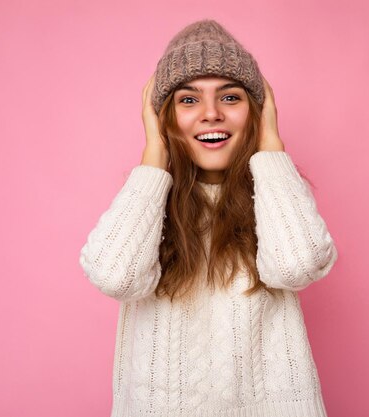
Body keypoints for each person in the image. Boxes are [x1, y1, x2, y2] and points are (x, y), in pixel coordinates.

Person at [79, 19, 338, 417]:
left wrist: (270, 145)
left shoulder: (275, 193)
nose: (211, 113)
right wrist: (154, 155)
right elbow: (117, 276)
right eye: (188, 100)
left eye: (231, 98)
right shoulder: (146, 203)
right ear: (163, 117)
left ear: (256, 111)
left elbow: (295, 265)